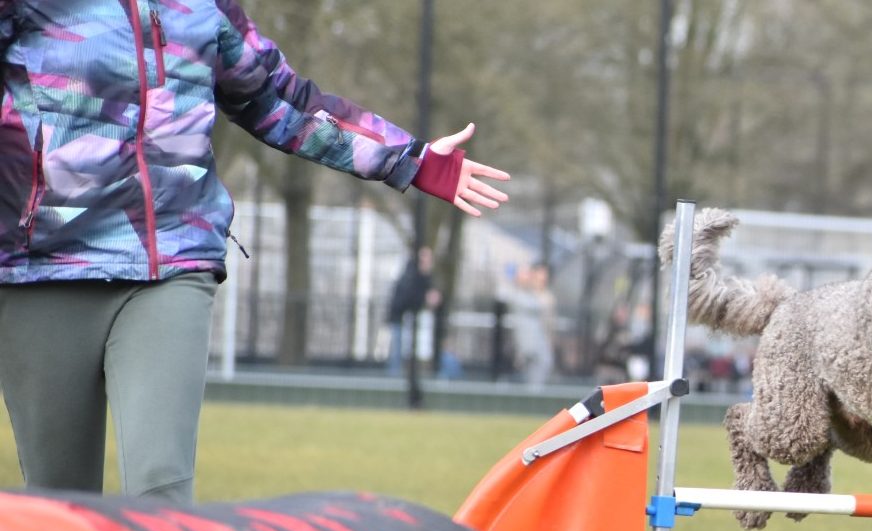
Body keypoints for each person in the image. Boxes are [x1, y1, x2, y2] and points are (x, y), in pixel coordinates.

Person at [0, 1, 511, 502]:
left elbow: (276, 98)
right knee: (60, 507)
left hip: (174, 265)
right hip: (41, 269)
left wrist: (413, 159)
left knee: (163, 489)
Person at [499, 264, 557, 389]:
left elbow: (548, 323)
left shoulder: (544, 297)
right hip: (524, 343)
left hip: (539, 343)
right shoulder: (517, 295)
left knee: (541, 368)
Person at [386, 246, 440, 376]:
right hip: (400, 318)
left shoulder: (426, 276)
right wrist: (425, 298)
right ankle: (394, 376)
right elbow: (408, 297)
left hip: (413, 319)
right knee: (397, 350)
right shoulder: (410, 275)